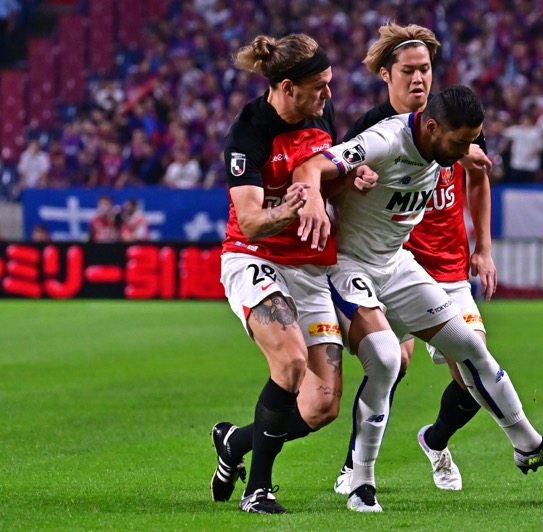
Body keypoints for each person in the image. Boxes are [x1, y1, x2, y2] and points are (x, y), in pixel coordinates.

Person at [294, 85, 543, 512]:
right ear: (434, 126)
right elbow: (313, 165)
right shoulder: (384, 140)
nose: (466, 150)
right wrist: (313, 199)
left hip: (396, 263)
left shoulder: (447, 147)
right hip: (347, 265)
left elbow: (468, 166)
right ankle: (361, 483)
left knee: (471, 347)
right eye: (460, 142)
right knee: (386, 358)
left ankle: (528, 445)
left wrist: (469, 157)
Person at [210, 33, 374, 515]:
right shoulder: (248, 133)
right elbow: (253, 221)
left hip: (308, 268)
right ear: (286, 87)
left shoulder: (318, 114)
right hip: (255, 258)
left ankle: (235, 443)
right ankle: (258, 490)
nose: (328, 94)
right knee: (289, 361)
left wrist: (350, 179)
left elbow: (328, 172)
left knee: (322, 405)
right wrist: (296, 205)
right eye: (319, 86)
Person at [329, 23, 496, 495]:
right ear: (387, 75)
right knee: (390, 364)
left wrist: (482, 247)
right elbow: (335, 182)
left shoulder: (454, 116)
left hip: (445, 266)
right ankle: (353, 469)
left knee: (472, 371)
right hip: (392, 263)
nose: (419, 79)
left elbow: (479, 174)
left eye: (425, 69)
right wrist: (350, 180)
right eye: (409, 71)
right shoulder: (373, 129)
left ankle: (436, 440)